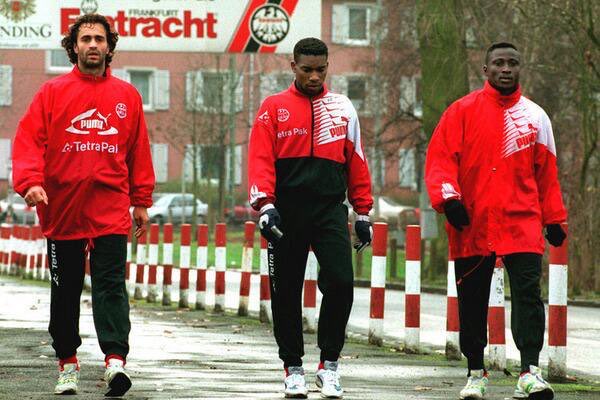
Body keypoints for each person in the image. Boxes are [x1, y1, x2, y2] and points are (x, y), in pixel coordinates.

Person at [12, 14, 154, 397]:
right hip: (63, 210)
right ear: (73, 47)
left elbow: (138, 152)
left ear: (110, 46)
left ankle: (115, 361)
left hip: (109, 208)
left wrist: (141, 201)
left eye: (100, 39)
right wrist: (31, 183)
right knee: (66, 289)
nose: (93, 45)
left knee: (111, 286)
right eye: (86, 39)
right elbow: (28, 142)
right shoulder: (52, 93)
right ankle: (68, 363)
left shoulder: (127, 96)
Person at [425, 42, 567, 400]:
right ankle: (476, 372)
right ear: (485, 70)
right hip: (472, 223)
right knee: (471, 299)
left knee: (528, 298)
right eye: (499, 63)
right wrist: (448, 198)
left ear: (521, 69)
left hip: (522, 223)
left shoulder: (535, 117)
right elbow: (441, 159)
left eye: (513, 63)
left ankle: (529, 373)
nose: (506, 69)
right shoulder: (460, 112)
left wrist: (554, 218)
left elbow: (547, 174)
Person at [248, 37, 373, 399]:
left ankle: (329, 366)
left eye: (321, 69)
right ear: (293, 67)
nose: (315, 76)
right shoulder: (273, 108)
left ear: (327, 67)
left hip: (330, 210)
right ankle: (293, 369)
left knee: (341, 282)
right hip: (285, 211)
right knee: (285, 292)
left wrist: (362, 211)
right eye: (307, 70)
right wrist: (265, 205)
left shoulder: (343, 108)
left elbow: (357, 161)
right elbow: (259, 159)